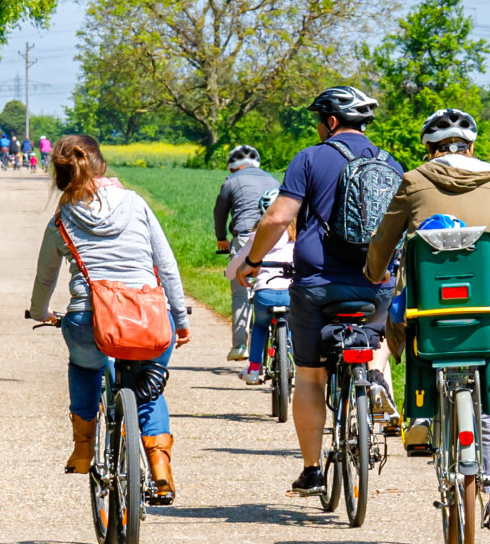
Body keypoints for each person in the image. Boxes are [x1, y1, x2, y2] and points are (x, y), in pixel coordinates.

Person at [363, 108, 490, 531]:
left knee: (419, 333)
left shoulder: (414, 180)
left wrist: (374, 273)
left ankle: (422, 418)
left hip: (432, 308)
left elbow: (384, 239)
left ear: (429, 149)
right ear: (472, 146)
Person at [237, 86, 402, 496]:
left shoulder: (309, 158)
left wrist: (252, 261)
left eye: (318, 121)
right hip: (377, 284)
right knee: (374, 339)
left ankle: (312, 471)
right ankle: (375, 381)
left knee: (310, 375)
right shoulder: (391, 163)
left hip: (319, 285)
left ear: (330, 122)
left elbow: (278, 218)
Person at [28, 135, 192, 503]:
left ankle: (84, 450)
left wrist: (41, 313)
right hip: (148, 316)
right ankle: (161, 469)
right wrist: (179, 319)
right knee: (150, 386)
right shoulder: (134, 203)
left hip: (89, 318)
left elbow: (45, 277)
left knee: (86, 367)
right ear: (101, 163)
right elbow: (166, 266)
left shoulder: (63, 217)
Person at [213, 144, 279, 361]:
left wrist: (221, 238)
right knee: (274, 283)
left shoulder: (231, 181)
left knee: (241, 292)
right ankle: (282, 342)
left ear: (233, 166)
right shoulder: (273, 180)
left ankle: (240, 345)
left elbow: (220, 211)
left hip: (244, 237)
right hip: (274, 237)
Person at [225, 189, 294, 384]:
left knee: (260, 326)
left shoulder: (256, 237)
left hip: (265, 293)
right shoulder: (297, 237)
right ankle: (291, 360)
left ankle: (254, 369)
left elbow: (234, 269)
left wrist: (230, 273)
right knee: (293, 323)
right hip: (290, 293)